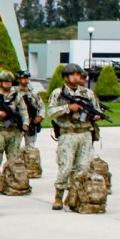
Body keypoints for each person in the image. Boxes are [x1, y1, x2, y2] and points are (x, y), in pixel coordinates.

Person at [45, 63, 104, 210]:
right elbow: (51, 112)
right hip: (67, 134)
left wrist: (97, 116)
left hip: (84, 134)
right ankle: (58, 197)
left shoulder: (88, 93)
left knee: (82, 168)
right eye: (73, 74)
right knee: (66, 167)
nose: (76, 77)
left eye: (78, 74)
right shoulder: (58, 93)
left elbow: (97, 110)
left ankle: (73, 196)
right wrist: (68, 108)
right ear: (65, 77)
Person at [0, 70, 29, 181]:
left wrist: (25, 123)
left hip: (14, 131)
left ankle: (12, 181)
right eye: (5, 81)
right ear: (0, 82)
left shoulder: (17, 96)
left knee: (14, 158)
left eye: (9, 81)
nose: (8, 83)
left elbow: (23, 111)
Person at [17, 71, 45, 149]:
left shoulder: (33, 92)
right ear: (19, 79)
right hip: (17, 123)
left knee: (30, 148)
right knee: (15, 148)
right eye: (23, 78)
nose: (26, 80)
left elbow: (41, 106)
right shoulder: (14, 93)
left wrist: (40, 116)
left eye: (27, 78)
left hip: (31, 123)